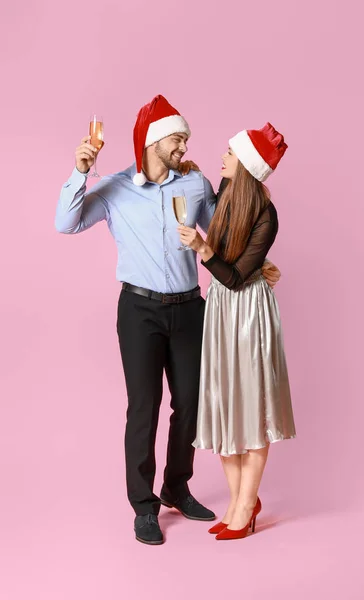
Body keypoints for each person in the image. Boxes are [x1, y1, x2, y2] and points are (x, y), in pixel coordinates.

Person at [55, 94, 281, 545]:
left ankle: (177, 486)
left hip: (191, 307)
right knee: (144, 408)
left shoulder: (195, 185)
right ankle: (144, 505)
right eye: (178, 138)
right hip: (139, 310)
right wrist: (80, 173)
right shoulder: (116, 188)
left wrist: (255, 264)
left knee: (192, 405)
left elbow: (226, 233)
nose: (185, 146)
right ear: (154, 141)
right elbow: (67, 223)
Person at [179, 123, 296, 541]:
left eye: (230, 151)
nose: (223, 155)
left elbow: (235, 277)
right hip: (223, 311)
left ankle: (245, 507)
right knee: (224, 403)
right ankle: (237, 502)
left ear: (246, 164)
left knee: (252, 408)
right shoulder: (224, 196)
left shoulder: (267, 213)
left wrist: (202, 249)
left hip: (248, 313)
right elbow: (230, 267)